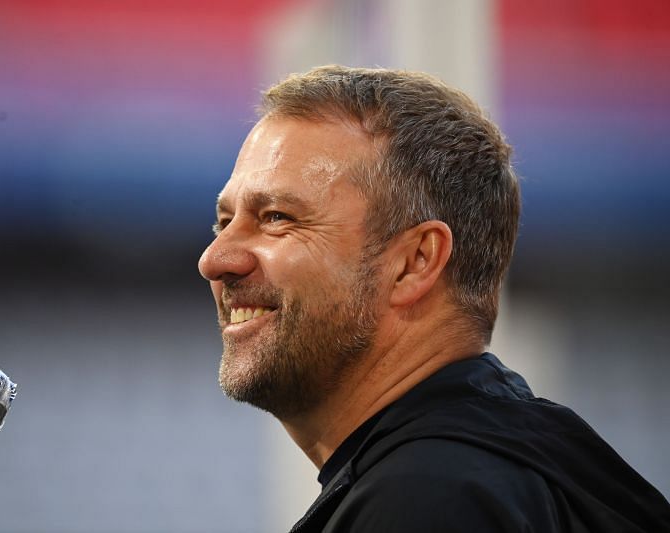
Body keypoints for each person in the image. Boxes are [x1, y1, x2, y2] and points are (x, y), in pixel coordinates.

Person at [197, 65, 670, 532]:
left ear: (416, 261)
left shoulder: (428, 498)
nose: (214, 259)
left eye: (277, 217)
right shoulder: (515, 469)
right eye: (224, 222)